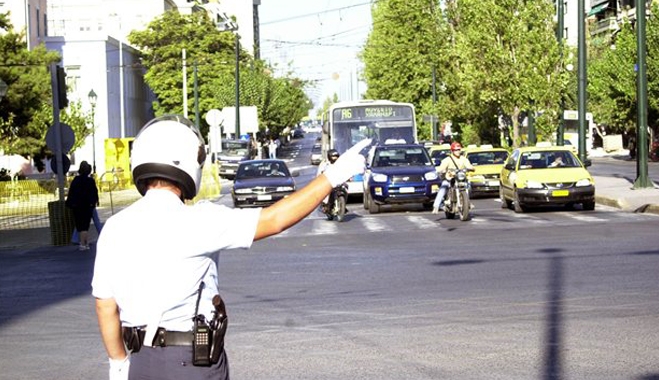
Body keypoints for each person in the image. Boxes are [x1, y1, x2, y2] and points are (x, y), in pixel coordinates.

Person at [91, 115, 370, 380]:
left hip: (140, 363)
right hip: (191, 364)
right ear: (190, 163)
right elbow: (275, 219)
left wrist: (118, 364)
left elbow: (105, 306)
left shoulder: (114, 228)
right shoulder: (199, 219)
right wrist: (333, 176)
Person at [431, 142, 475, 214]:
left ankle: (467, 202)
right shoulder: (447, 160)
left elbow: (469, 166)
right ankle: (436, 206)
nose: (458, 151)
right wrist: (441, 170)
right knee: (443, 187)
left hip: (461, 179)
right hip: (450, 179)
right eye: (456, 150)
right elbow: (441, 168)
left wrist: (471, 168)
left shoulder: (463, 159)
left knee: (468, 186)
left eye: (459, 149)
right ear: (452, 151)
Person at [66, 161, 100, 250]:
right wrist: (95, 202)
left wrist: (70, 203)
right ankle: (84, 244)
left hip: (77, 207)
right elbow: (94, 192)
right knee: (85, 226)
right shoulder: (90, 181)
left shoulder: (75, 181)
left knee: (80, 226)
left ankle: (83, 243)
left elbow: (71, 193)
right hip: (88, 206)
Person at [316, 149, 341, 213]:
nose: (335, 158)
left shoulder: (340, 163)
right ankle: (325, 205)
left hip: (338, 181)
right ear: (329, 157)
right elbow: (319, 173)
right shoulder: (325, 164)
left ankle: (341, 204)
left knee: (345, 187)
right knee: (326, 192)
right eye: (333, 156)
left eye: (336, 156)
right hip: (328, 182)